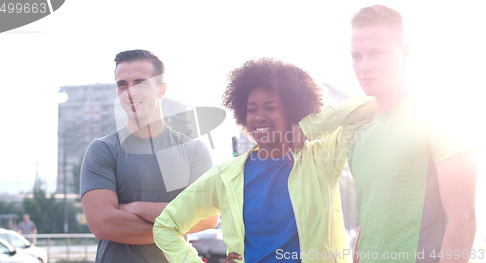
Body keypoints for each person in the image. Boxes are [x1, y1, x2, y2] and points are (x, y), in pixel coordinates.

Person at [153, 58, 376, 263]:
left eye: (270, 108)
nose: (259, 117)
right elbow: (165, 226)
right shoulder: (225, 176)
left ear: (292, 111)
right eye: (251, 110)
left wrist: (308, 128)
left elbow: (372, 104)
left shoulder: (318, 159)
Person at [347, 5, 477, 263]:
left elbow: (464, 220)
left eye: (376, 53)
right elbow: (367, 227)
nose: (364, 66)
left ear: (405, 54)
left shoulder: (441, 120)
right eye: (356, 56)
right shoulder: (358, 136)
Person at [80, 49, 218, 263]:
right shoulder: (102, 150)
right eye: (122, 84)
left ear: (161, 89)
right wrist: (176, 223)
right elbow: (103, 224)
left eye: (140, 82)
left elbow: (208, 218)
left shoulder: (194, 151)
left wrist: (136, 208)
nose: (130, 92)